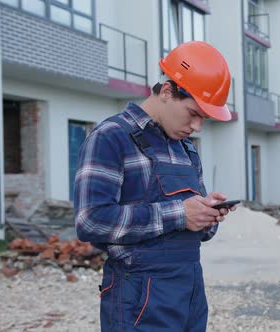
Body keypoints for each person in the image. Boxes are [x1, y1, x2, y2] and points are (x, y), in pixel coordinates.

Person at [74, 41, 236, 331]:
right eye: (193, 113)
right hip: (137, 297)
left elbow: (193, 230)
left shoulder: (185, 148)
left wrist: (207, 215)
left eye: (204, 118)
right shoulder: (111, 137)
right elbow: (91, 221)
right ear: (167, 91)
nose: (197, 127)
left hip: (189, 291)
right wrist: (180, 214)